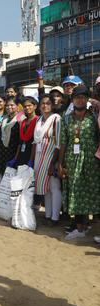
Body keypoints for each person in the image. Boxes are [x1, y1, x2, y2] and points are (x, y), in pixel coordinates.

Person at [59, 86, 100, 240]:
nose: (80, 100)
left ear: (87, 99)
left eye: (83, 97)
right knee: (75, 191)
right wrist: (60, 163)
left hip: (91, 161)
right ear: (72, 100)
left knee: (90, 192)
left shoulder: (94, 117)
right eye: (77, 97)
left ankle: (87, 225)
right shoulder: (66, 119)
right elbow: (63, 142)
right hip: (72, 159)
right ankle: (79, 226)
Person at [33, 95, 62, 226]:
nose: (45, 105)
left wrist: (53, 163)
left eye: (48, 103)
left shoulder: (56, 119)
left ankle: (55, 218)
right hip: (40, 158)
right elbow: (36, 141)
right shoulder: (39, 120)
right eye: (43, 103)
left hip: (52, 158)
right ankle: (48, 215)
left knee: (54, 188)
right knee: (46, 189)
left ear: (53, 105)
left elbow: (59, 143)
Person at [0, 97, 21, 189]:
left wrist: (16, 157)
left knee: (13, 180)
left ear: (17, 106)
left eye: (12, 105)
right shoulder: (5, 118)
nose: (9, 107)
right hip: (3, 152)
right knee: (3, 177)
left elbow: (20, 141)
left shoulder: (21, 119)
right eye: (7, 105)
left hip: (14, 153)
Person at [12, 97, 39, 167]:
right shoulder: (23, 122)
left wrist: (31, 159)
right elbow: (20, 142)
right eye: (25, 106)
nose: (27, 108)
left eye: (29, 105)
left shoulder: (38, 120)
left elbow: (35, 142)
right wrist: (15, 158)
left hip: (32, 155)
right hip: (21, 154)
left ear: (35, 106)